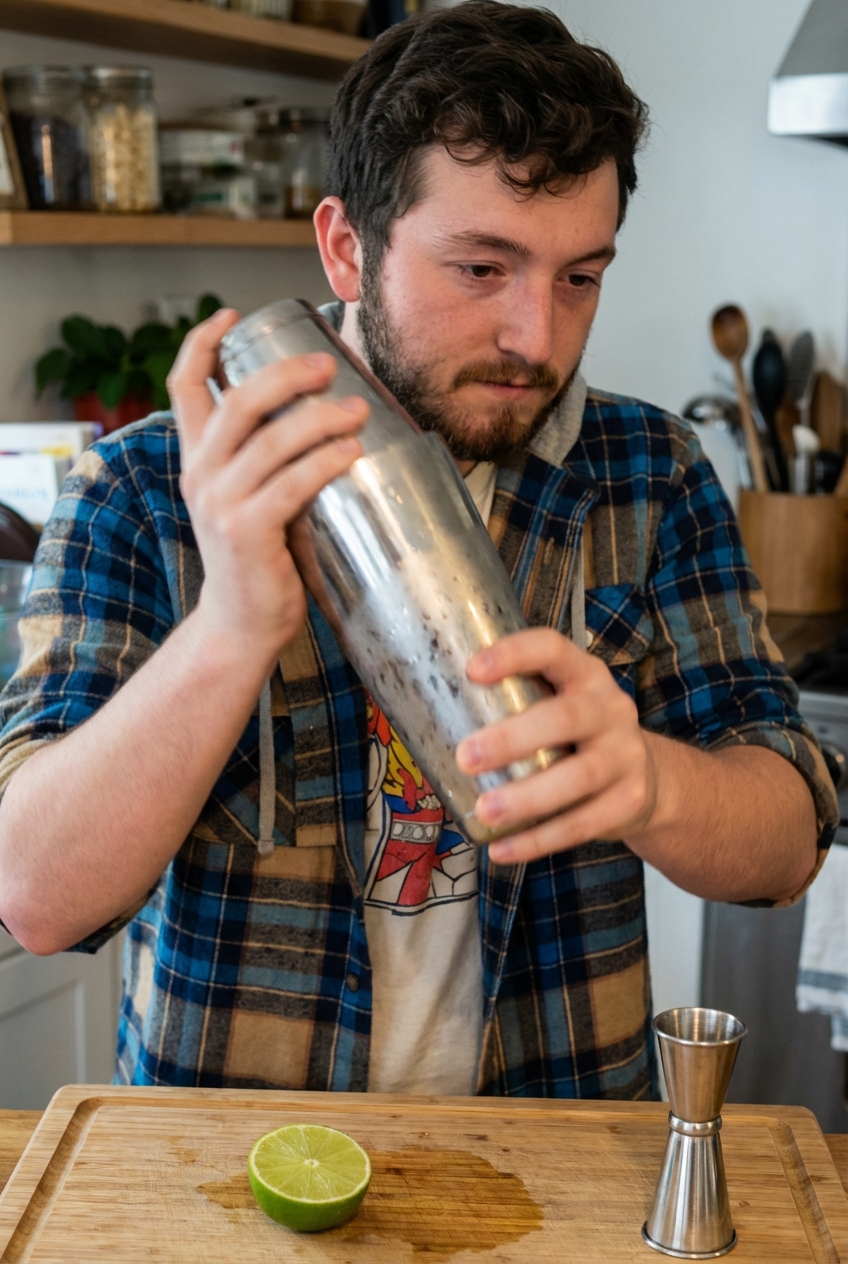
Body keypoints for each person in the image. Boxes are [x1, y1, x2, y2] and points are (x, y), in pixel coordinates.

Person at [0, 2, 837, 1099]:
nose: (536, 337)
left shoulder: (649, 473)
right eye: (481, 269)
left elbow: (788, 840)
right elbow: (37, 898)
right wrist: (232, 628)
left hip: (556, 1152)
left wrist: (646, 782)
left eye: (579, 277)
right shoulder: (148, 488)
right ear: (347, 248)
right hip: (244, 1169)